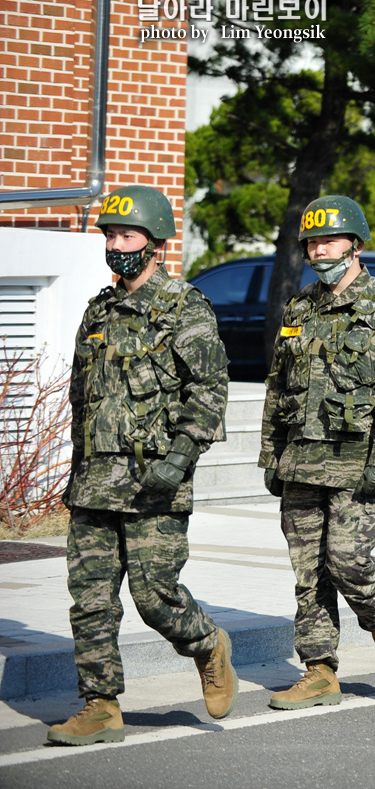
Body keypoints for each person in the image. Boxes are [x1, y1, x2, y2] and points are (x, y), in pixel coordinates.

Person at [48, 185, 235, 746]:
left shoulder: (184, 305)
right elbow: (84, 398)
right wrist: (76, 472)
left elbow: (210, 388)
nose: (115, 244)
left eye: (125, 235)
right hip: (94, 483)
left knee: (155, 596)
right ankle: (100, 707)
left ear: (155, 244)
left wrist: (178, 460)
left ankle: (206, 644)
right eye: (109, 234)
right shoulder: (97, 311)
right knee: (91, 600)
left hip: (154, 482)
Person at [260, 196, 375, 707]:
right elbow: (277, 384)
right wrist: (271, 454)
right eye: (311, 241)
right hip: (301, 459)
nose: (318, 249)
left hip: (356, 460)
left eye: (328, 240)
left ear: (355, 244)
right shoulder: (300, 305)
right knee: (308, 571)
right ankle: (319, 670)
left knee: (348, 560)